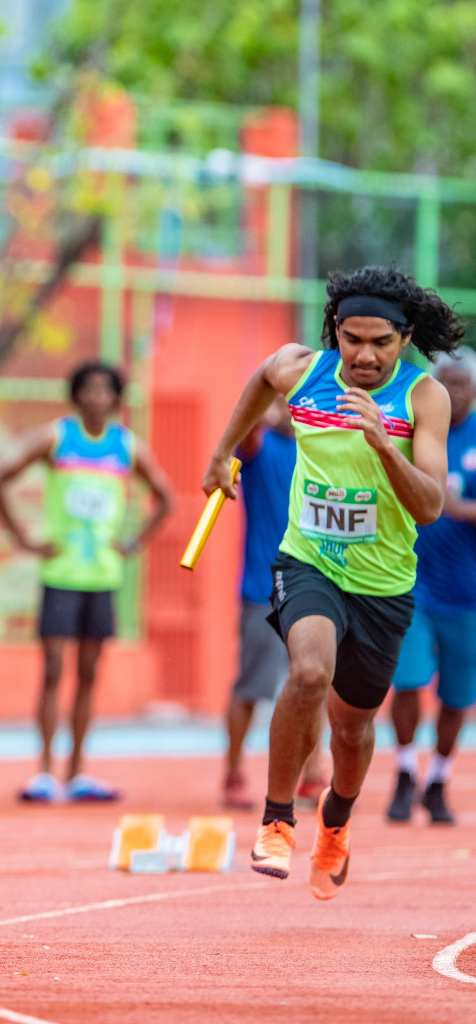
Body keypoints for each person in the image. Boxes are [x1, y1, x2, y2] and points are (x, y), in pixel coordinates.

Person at [201, 265, 458, 900]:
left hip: (385, 585)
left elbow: (429, 506)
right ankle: (277, 818)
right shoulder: (302, 370)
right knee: (309, 672)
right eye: (352, 339)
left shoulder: (424, 398)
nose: (365, 356)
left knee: (352, 726)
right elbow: (261, 380)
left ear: (405, 338)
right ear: (334, 332)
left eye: (381, 342)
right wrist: (223, 451)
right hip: (309, 561)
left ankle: (336, 823)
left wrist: (383, 443)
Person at [0, 361, 172, 803]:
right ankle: (46, 772)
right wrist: (24, 538)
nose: (96, 397)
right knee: (53, 670)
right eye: (88, 389)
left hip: (102, 577)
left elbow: (164, 498)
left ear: (115, 397)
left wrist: (134, 543)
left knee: (89, 673)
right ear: (76, 394)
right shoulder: (57, 436)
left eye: (105, 390)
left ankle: (77, 771)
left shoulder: (126, 446)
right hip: (61, 574)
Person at [386, 348, 476, 825]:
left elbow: (446, 503)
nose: (456, 391)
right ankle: (403, 771)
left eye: (464, 383)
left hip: (468, 593)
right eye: (449, 383)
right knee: (408, 679)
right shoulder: (420, 425)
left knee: (457, 697)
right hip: (413, 585)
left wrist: (458, 509)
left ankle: (438, 779)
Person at [222, 396, 325, 810]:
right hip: (261, 588)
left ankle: (313, 776)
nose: (289, 409)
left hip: (316, 586)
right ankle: (232, 772)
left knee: (314, 680)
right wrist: (257, 410)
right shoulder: (260, 446)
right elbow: (244, 439)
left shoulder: (320, 451)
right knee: (251, 687)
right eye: (282, 401)